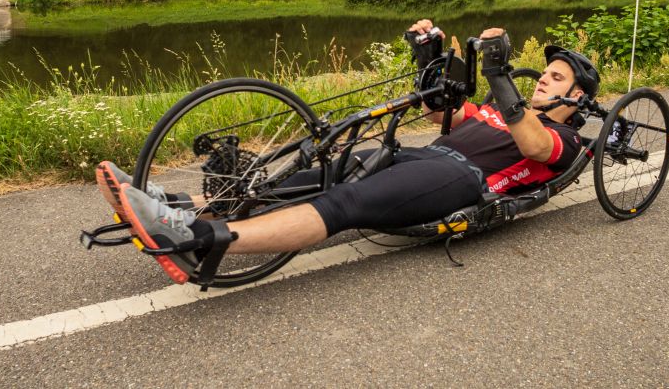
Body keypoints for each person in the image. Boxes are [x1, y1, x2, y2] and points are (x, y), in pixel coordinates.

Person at [96, 19, 600, 283]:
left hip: (461, 180)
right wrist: (427, 55)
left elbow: (533, 143)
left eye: (554, 78)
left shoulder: (565, 138)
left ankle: (197, 237)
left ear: (575, 97)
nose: (541, 83)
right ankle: (181, 208)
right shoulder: (495, 110)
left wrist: (497, 75)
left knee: (347, 206)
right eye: (543, 75)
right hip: (422, 156)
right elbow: (439, 115)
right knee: (332, 168)